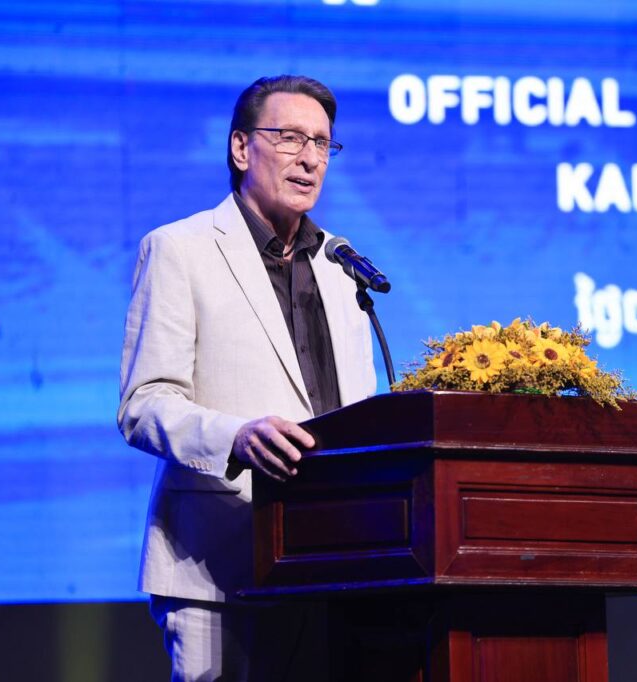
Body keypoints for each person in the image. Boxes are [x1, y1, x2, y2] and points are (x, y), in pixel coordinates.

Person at [118, 75, 376, 681]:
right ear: (240, 148)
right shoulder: (180, 248)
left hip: (332, 567)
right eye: (290, 138)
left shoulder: (341, 266)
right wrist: (235, 438)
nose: (310, 158)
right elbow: (143, 403)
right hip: (218, 564)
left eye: (322, 143)